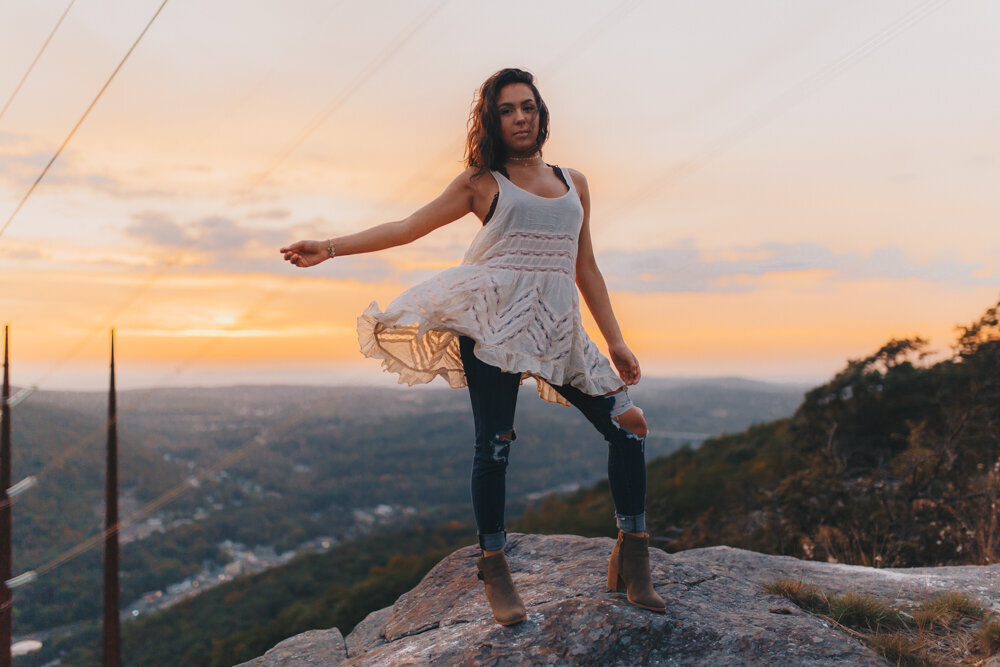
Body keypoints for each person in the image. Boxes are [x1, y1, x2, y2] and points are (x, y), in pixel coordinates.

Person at [280, 67, 664, 626]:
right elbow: (407, 227)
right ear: (493, 119)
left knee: (628, 426)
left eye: (527, 106)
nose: (520, 118)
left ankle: (632, 554)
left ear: (541, 112)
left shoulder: (573, 181)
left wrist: (617, 340)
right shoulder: (480, 182)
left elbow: (584, 265)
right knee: (496, 445)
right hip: (492, 321)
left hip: (558, 327)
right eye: (507, 109)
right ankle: (494, 565)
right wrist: (330, 247)